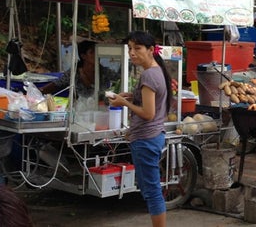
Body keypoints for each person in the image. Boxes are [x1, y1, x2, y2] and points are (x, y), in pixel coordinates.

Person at [108, 31, 171, 227]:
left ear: (151, 50)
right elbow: (149, 103)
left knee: (152, 192)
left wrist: (123, 103)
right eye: (129, 49)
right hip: (151, 136)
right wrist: (132, 96)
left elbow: (148, 113)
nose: (132, 53)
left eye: (137, 48)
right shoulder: (156, 70)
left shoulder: (149, 74)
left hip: (146, 138)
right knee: (150, 189)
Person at [40, 40, 120, 99]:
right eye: (92, 52)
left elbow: (121, 79)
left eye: (97, 52)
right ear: (83, 56)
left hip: (102, 111)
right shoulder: (74, 73)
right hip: (80, 113)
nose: (96, 55)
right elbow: (54, 85)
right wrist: (35, 95)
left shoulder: (105, 72)